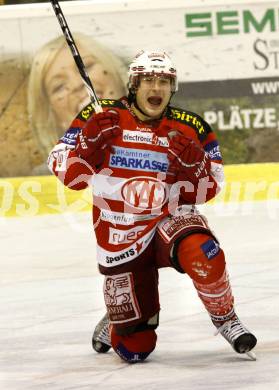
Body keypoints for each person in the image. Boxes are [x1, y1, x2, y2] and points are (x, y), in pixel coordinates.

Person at [48, 50, 257, 363]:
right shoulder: (100, 115)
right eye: (148, 80)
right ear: (134, 84)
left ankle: (226, 318)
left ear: (172, 87)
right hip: (120, 236)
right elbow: (68, 175)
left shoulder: (191, 126)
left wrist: (194, 164)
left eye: (163, 81)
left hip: (168, 220)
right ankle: (119, 318)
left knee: (204, 251)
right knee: (135, 350)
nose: (156, 88)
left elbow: (206, 190)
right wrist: (88, 144)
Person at [28, 33, 127, 164]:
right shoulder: (41, 180)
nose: (77, 84)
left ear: (116, 73)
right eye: (59, 86)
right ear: (53, 117)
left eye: (86, 67)